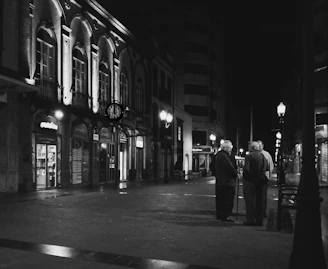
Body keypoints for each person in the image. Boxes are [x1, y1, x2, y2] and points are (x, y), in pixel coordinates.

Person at [242, 141, 267, 226]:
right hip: (260, 181)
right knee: (259, 201)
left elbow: (246, 169)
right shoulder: (262, 155)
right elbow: (266, 167)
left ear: (252, 148)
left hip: (251, 181)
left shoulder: (249, 156)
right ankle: (259, 220)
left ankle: (250, 220)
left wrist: (246, 177)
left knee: (250, 201)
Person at [215, 140, 238, 222]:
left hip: (221, 180)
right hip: (227, 181)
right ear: (225, 148)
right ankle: (225, 215)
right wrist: (236, 174)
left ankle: (221, 214)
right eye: (229, 148)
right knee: (227, 199)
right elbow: (230, 167)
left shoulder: (219, 155)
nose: (230, 149)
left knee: (221, 199)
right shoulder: (223, 156)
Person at [258, 140, 274, 218]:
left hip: (263, 178)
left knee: (263, 196)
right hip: (261, 178)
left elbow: (270, 167)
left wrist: (268, 177)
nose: (259, 147)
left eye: (260, 145)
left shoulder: (266, 154)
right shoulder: (264, 154)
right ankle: (260, 212)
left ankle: (262, 212)